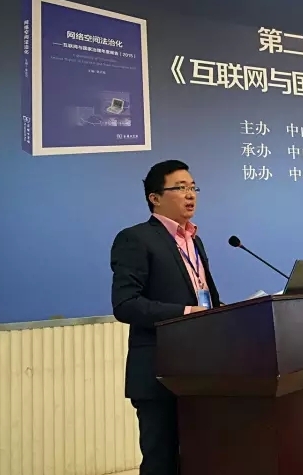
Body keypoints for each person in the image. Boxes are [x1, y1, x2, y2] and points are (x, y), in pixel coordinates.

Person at [110, 160, 221, 475]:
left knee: (200, 458)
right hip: (159, 371)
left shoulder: (194, 241)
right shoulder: (135, 238)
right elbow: (126, 304)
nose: (190, 194)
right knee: (162, 462)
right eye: (180, 187)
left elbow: (203, 298)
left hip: (201, 369)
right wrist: (186, 313)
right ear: (154, 198)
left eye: (193, 187)